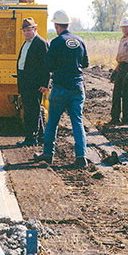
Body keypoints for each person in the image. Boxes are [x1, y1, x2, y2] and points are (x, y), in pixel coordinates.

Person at [33, 10, 89, 168]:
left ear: (56, 25)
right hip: (77, 88)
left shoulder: (57, 42)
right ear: (68, 24)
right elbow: (85, 64)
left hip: (60, 88)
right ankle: (81, 157)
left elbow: (48, 65)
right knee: (77, 122)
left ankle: (48, 154)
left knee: (52, 122)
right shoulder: (80, 41)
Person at [16, 17, 50, 147]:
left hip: (34, 83)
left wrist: (45, 83)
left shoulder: (41, 43)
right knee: (32, 108)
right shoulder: (27, 43)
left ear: (35, 29)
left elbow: (46, 65)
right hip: (25, 81)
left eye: (28, 30)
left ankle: (31, 138)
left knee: (32, 111)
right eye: (24, 31)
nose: (26, 33)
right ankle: (41, 136)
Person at [109, 17, 128, 125]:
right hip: (121, 67)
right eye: (123, 27)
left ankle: (126, 119)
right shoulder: (123, 39)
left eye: (126, 27)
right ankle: (115, 118)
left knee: (126, 95)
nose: (124, 29)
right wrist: (115, 70)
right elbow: (121, 58)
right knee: (116, 93)